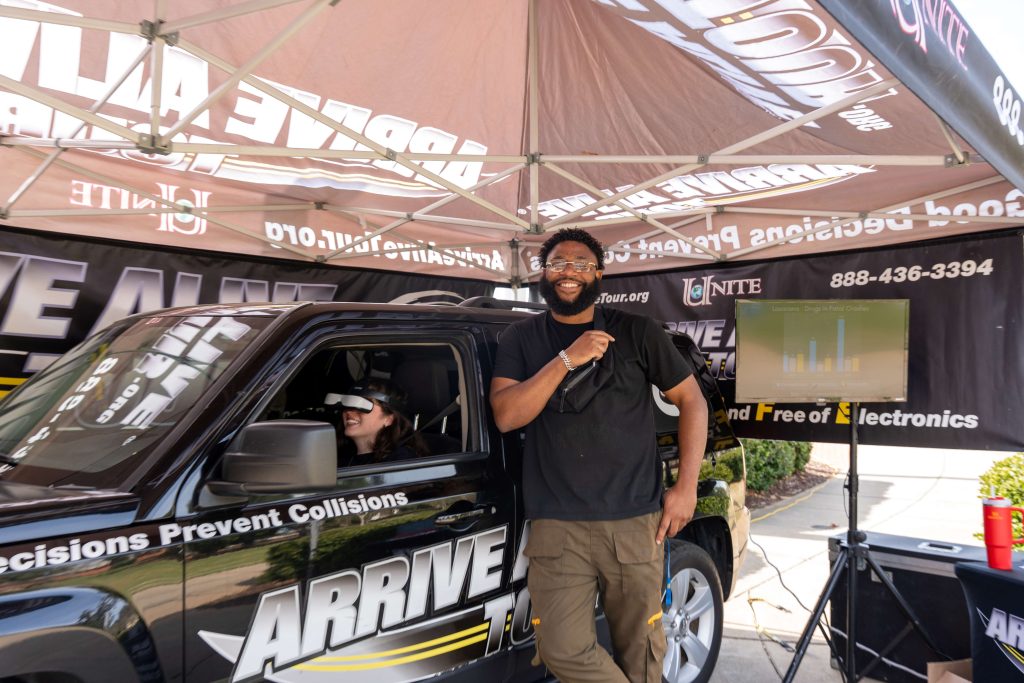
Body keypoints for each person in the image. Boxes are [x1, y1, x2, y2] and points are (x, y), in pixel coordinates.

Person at [490, 228, 708, 683]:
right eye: (558, 263)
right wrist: (567, 359)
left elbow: (692, 400)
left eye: (581, 264)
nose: (568, 272)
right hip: (557, 525)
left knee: (641, 653)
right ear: (543, 273)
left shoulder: (637, 331)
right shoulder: (520, 338)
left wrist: (686, 487)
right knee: (562, 649)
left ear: (599, 274)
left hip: (634, 522)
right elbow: (507, 416)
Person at [332, 378, 429, 467]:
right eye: (348, 405)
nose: (349, 412)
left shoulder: (401, 460)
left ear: (389, 419)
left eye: (362, 406)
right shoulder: (337, 456)